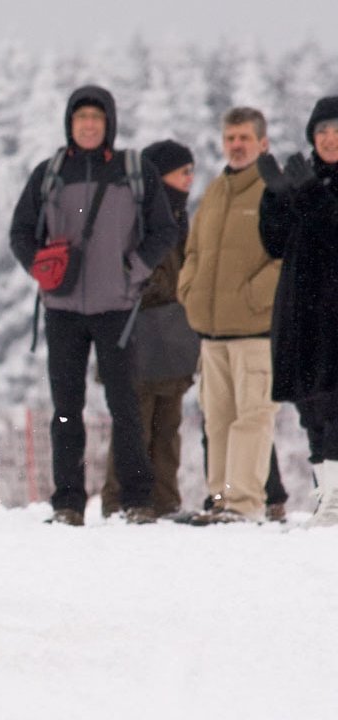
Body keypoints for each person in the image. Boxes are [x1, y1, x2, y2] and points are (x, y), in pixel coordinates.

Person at [9, 85, 180, 526]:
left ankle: (137, 500)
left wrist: (133, 271)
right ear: (70, 124)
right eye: (81, 117)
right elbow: (21, 232)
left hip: (117, 308)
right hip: (62, 309)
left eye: (96, 118)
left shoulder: (133, 170)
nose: (88, 124)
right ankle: (68, 503)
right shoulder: (50, 173)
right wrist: (41, 269)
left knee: (125, 407)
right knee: (66, 409)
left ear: (109, 124)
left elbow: (164, 230)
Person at [177, 107, 282, 524]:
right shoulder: (216, 190)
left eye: (245, 138)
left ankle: (244, 503)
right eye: (230, 138)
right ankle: (220, 500)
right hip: (212, 333)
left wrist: (255, 296)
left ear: (263, 143)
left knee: (252, 419)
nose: (236, 146)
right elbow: (194, 250)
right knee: (217, 421)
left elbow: (289, 257)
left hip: (256, 331)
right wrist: (189, 289)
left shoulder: (275, 190)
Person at [100, 139, 196, 518]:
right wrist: (163, 288)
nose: (189, 179)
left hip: (172, 334)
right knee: (134, 422)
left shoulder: (180, 216)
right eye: (182, 171)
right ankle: (122, 502)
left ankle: (164, 501)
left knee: (167, 424)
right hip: (136, 331)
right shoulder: (131, 215)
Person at [258, 95, 338, 528]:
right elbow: (275, 244)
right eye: (322, 130)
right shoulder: (303, 178)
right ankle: (327, 496)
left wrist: (308, 193)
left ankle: (336, 502)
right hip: (302, 313)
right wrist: (274, 199)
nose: (329, 138)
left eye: (337, 130)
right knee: (312, 410)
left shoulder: (313, 185)